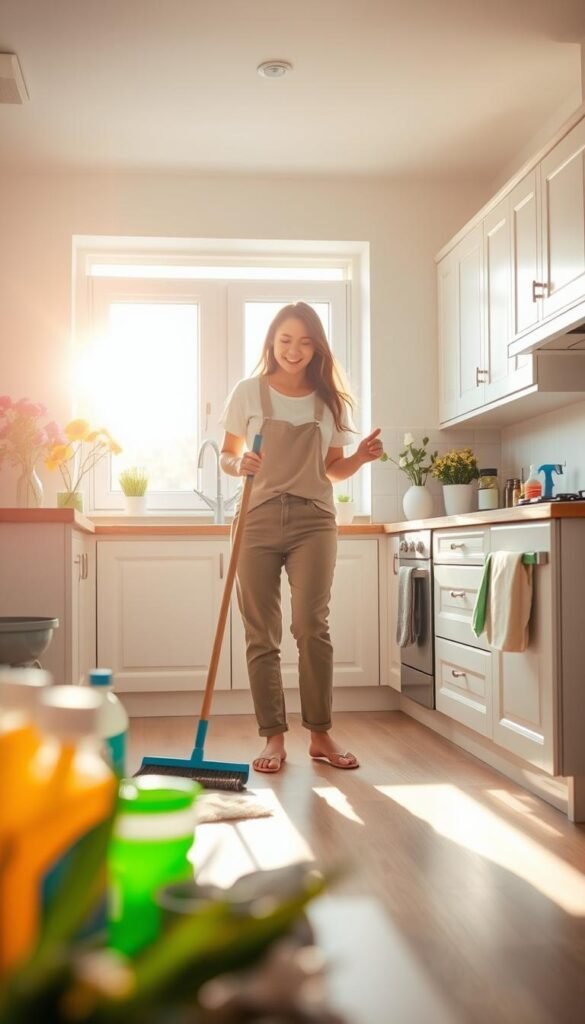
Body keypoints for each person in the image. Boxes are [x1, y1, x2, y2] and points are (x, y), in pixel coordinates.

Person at [220, 302, 383, 774]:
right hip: (256, 519)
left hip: (314, 520)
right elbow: (227, 458)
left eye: (305, 341)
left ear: (317, 348)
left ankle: (320, 733)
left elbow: (332, 470)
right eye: (286, 340)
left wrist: (361, 460)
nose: (294, 350)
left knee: (312, 627)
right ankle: (273, 737)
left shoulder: (327, 401)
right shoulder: (248, 392)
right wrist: (240, 464)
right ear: (272, 342)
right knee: (262, 633)